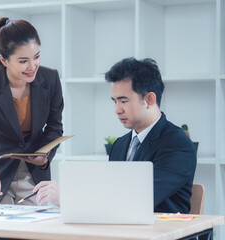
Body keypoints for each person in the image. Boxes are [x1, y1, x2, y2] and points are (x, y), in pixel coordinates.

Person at [34, 58, 196, 214]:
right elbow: (111, 195)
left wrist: (68, 198)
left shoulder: (177, 145)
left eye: (123, 101)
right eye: (114, 101)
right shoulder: (120, 145)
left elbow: (137, 200)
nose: (117, 110)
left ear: (149, 99)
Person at [0, 17, 64, 205]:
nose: (32, 66)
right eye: (23, 61)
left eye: (36, 56)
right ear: (4, 59)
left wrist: (43, 156)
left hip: (35, 177)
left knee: (34, 232)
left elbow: (55, 127)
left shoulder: (50, 78)